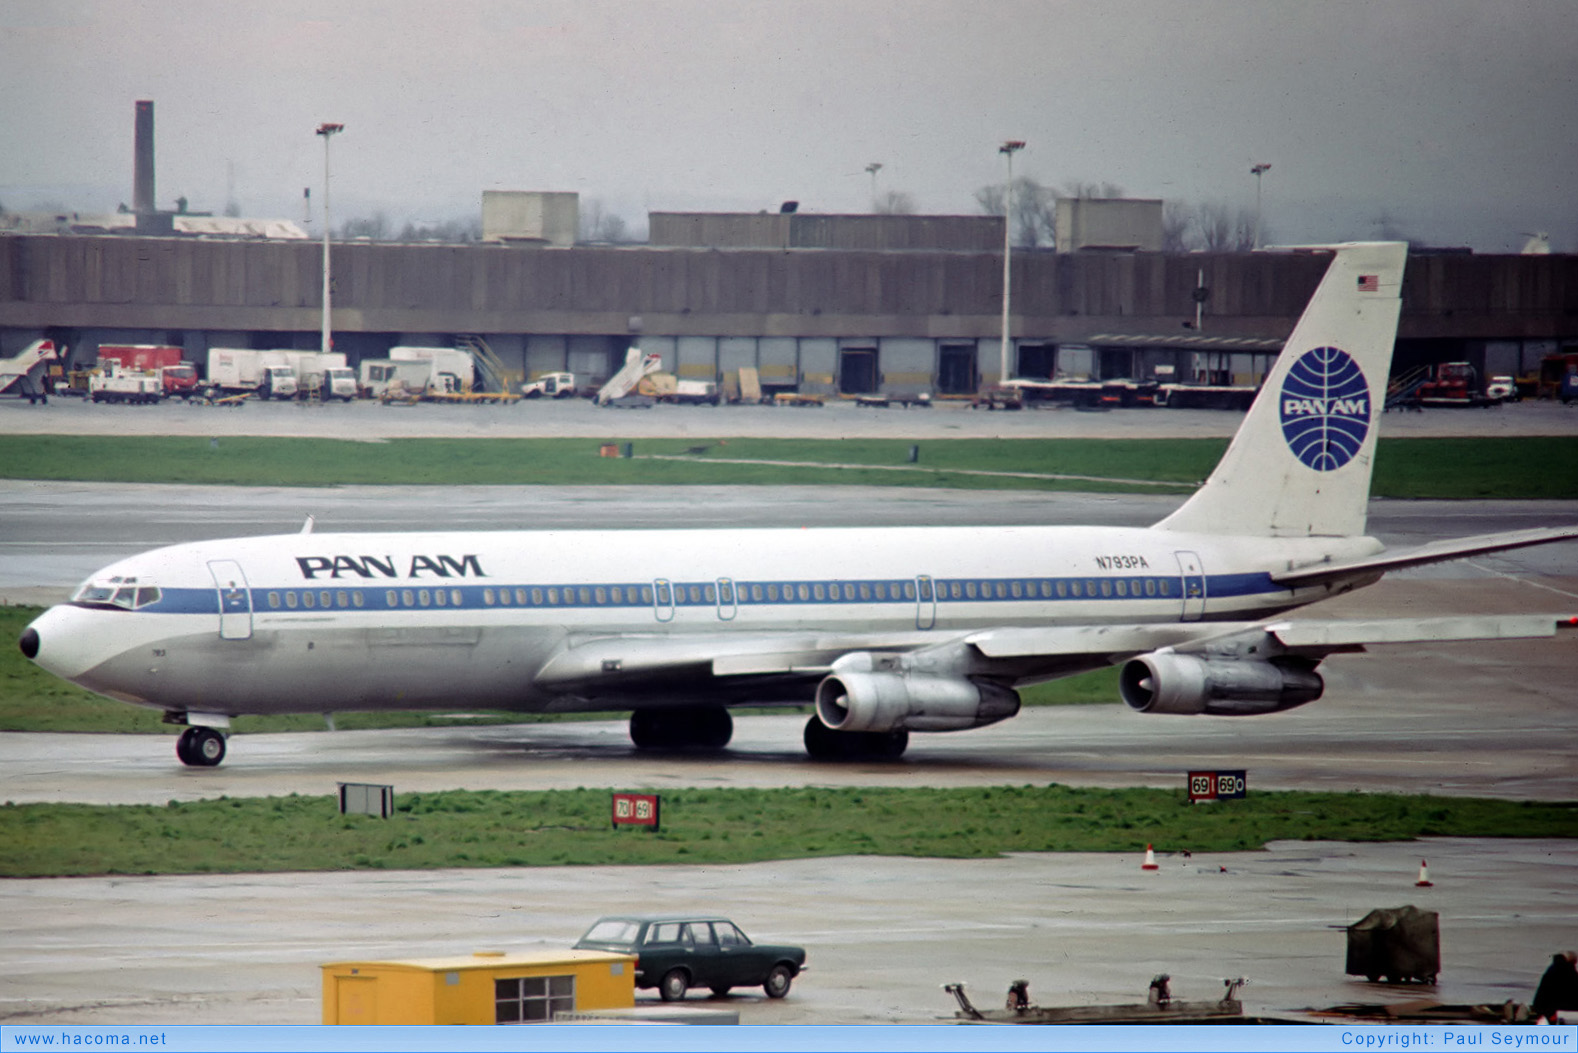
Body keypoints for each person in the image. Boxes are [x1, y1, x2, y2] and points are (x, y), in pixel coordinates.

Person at [1532, 951, 1578, 1019]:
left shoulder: (1551, 970)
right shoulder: (1571, 973)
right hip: (1563, 1013)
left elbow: (1542, 992)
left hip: (1547, 1011)